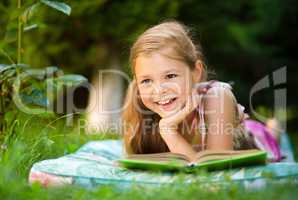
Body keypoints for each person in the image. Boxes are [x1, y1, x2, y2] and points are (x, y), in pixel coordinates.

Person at [121, 20, 281, 162]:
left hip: (253, 140)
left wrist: (168, 131)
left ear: (196, 72)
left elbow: (213, 171)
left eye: (170, 76)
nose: (158, 90)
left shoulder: (216, 96)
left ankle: (272, 128)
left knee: (268, 134)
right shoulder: (140, 105)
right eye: (146, 80)